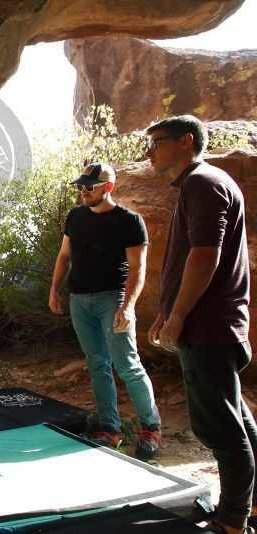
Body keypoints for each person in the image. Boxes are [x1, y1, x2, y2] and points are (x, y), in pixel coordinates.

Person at [145, 115, 256, 534]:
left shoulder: (203, 182)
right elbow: (195, 254)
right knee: (238, 422)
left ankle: (231, 521)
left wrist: (179, 316)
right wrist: (166, 309)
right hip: (214, 325)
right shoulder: (204, 182)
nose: (149, 151)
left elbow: (205, 254)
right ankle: (250, 508)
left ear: (185, 141)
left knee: (222, 430)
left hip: (208, 326)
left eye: (156, 142)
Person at [49, 162, 162, 460]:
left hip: (113, 299)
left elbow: (138, 269)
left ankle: (151, 428)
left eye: (89, 187)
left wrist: (129, 306)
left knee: (127, 364)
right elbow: (65, 255)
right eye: (80, 186)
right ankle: (109, 428)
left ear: (108, 187)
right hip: (79, 300)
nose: (83, 191)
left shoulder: (129, 221)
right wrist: (54, 290)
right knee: (97, 363)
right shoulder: (75, 216)